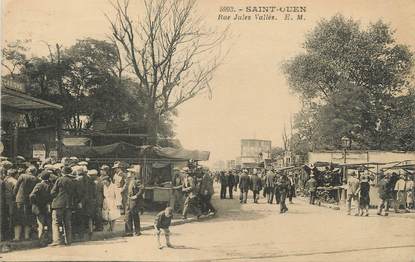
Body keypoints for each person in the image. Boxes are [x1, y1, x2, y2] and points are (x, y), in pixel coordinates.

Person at [50, 166, 77, 246]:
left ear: (62, 172)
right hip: (68, 204)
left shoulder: (60, 179)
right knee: (67, 223)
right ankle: (68, 241)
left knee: (56, 223)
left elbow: (53, 192)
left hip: (58, 204)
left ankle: (57, 240)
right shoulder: (73, 181)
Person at [13, 165, 39, 241]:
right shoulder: (36, 179)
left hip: (20, 199)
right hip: (29, 200)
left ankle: (17, 237)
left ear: (28, 170)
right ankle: (26, 236)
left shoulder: (22, 176)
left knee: (18, 218)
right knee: (28, 218)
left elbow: (16, 187)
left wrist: (14, 195)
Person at [29, 170, 52, 243]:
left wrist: (34, 203)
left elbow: (32, 195)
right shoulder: (52, 184)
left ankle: (41, 240)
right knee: (49, 223)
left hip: (40, 207)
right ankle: (50, 239)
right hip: (48, 206)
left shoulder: (39, 185)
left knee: (40, 224)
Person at [3, 168, 18, 240]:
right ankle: (10, 233)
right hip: (11, 200)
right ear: (15, 174)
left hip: (4, 200)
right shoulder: (15, 181)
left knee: (5, 217)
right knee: (12, 216)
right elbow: (16, 191)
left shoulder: (5, 180)